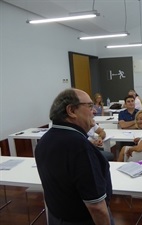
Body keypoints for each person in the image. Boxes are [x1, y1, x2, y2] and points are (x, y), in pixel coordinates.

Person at [35, 88, 114, 225]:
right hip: (84, 219)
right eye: (89, 106)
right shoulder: (79, 146)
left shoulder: (44, 140)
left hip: (57, 216)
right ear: (71, 111)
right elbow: (96, 207)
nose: (94, 111)